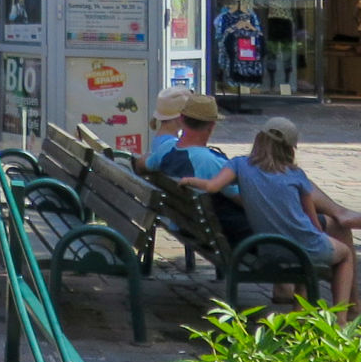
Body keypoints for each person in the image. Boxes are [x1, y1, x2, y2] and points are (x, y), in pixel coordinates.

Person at [186, 117, 361, 316]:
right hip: (304, 247)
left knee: (303, 255)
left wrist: (190, 180)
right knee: (345, 254)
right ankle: (341, 320)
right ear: (290, 149)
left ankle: (298, 314)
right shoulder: (297, 176)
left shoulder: (239, 165)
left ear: (259, 138)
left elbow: (212, 186)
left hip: (268, 248)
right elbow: (313, 223)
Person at [148, 94, 251, 244]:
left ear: (182, 119)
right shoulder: (211, 163)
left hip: (188, 224)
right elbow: (246, 201)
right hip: (226, 237)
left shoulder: (164, 150)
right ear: (212, 125)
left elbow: (142, 164)